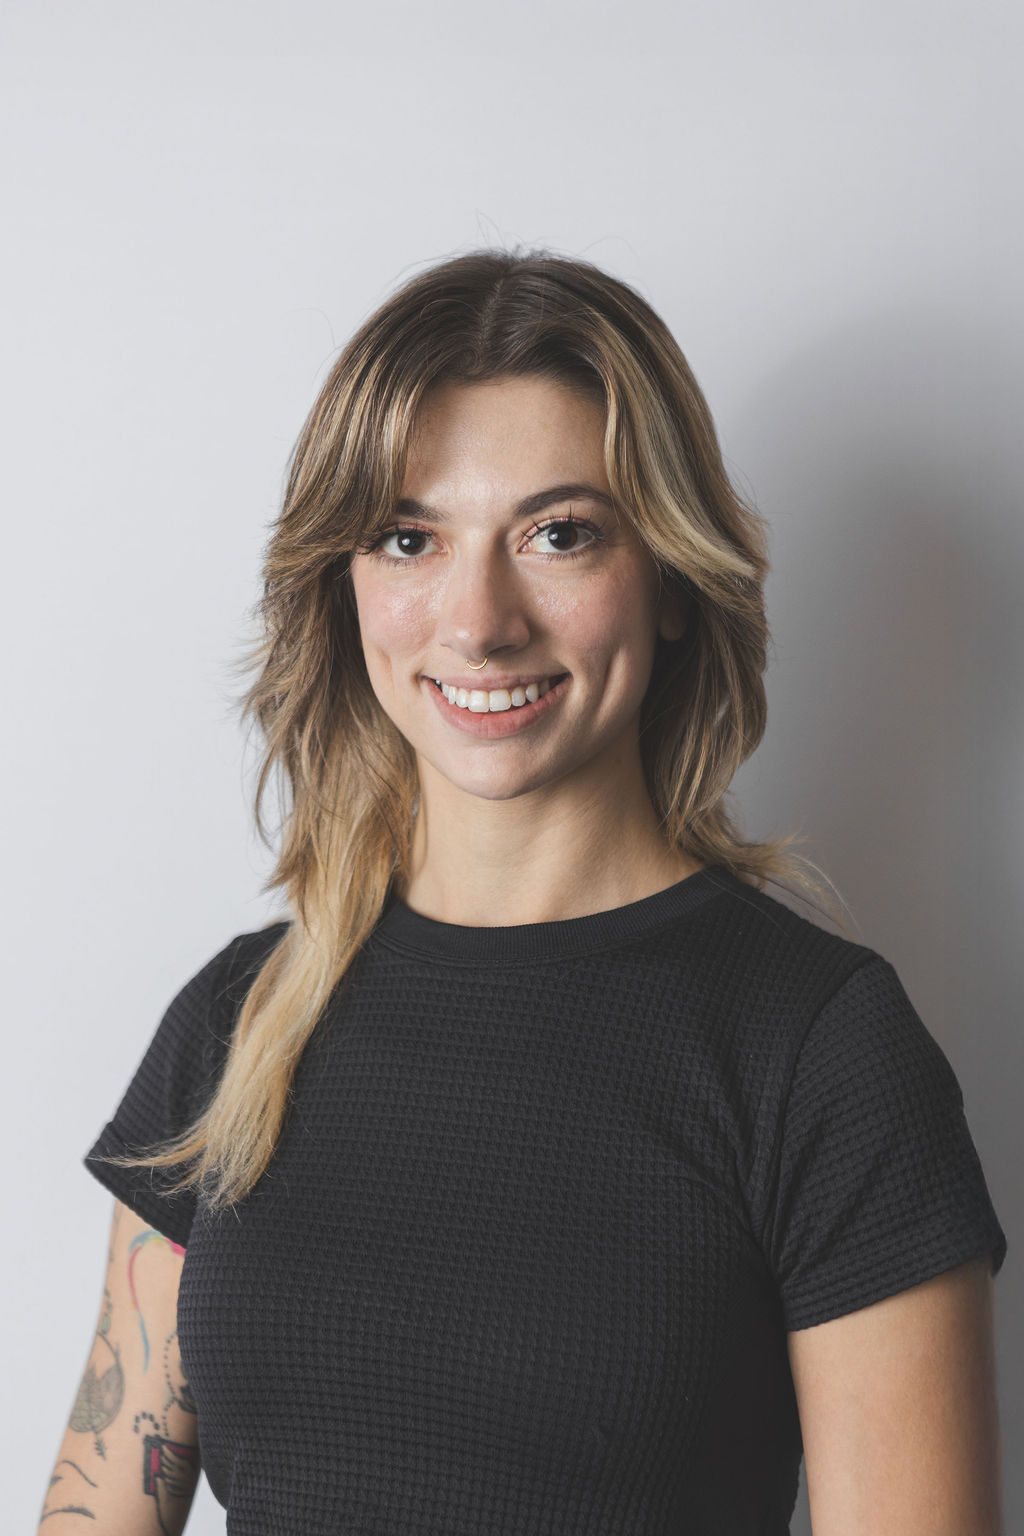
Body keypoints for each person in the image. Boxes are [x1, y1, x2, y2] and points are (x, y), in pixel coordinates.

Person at [39, 248, 1006, 1535]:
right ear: (346, 585)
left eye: (559, 534)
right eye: (408, 537)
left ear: (669, 578)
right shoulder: (236, 1023)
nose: (479, 619)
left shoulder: (819, 1048)